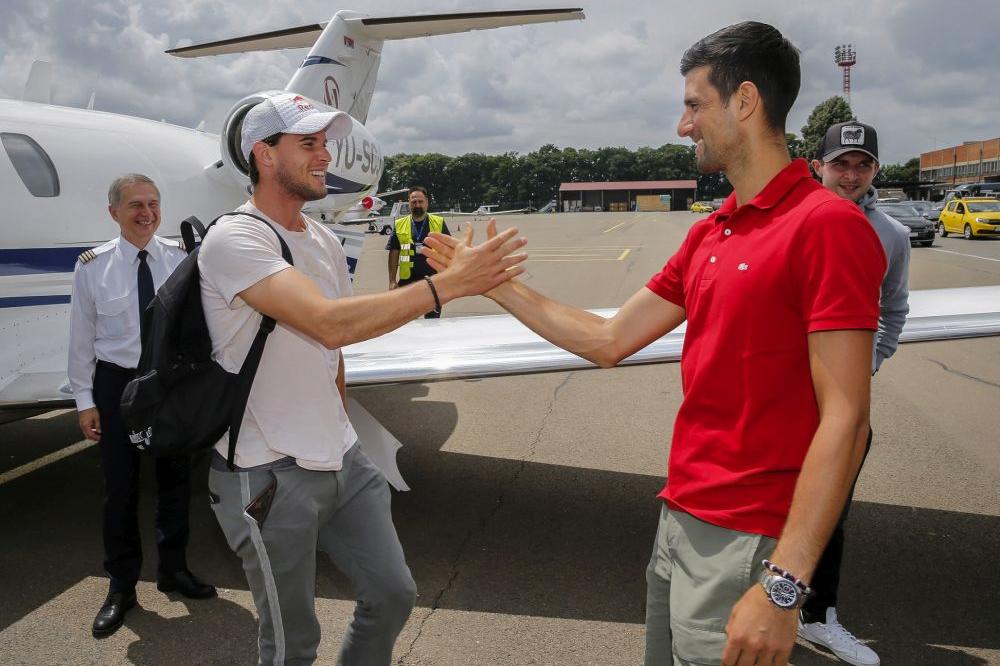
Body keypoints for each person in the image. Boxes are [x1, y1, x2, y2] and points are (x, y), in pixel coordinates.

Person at [424, 22, 886, 666]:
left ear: (745, 101)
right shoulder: (711, 233)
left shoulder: (826, 227)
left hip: (749, 535)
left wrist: (784, 586)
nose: (683, 124)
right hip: (680, 517)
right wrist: (493, 285)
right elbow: (608, 339)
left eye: (695, 104)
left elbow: (848, 419)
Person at [198, 92, 525, 665]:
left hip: (342, 459)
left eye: (325, 142)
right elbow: (325, 324)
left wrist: (339, 424)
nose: (326, 155)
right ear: (263, 155)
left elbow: (337, 348)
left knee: (394, 594)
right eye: (309, 144)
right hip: (268, 473)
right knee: (292, 644)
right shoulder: (236, 239)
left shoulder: (321, 240)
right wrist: (447, 286)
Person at [68, 174, 216, 639]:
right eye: (135, 205)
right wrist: (84, 401)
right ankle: (122, 587)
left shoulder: (178, 260)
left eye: (153, 204)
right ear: (114, 212)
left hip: (165, 384)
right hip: (116, 385)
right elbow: (80, 341)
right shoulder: (92, 267)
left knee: (175, 482)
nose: (146, 213)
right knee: (121, 489)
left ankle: (173, 569)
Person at [801, 121, 911, 666]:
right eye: (839, 163)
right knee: (760, 508)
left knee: (829, 511)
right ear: (816, 164)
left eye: (861, 165)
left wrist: (866, 365)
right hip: (780, 398)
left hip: (839, 405)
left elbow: (894, 310)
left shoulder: (891, 234)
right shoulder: (791, 220)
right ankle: (749, 607)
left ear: (874, 170)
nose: (850, 175)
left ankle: (818, 616)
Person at [386, 186, 451, 318]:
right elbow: (393, 252)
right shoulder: (399, 224)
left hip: (433, 281)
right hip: (408, 281)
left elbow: (449, 249)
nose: (417, 205)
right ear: (409, 203)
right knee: (407, 322)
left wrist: (448, 276)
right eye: (414, 202)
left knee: (432, 322)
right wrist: (392, 280)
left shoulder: (438, 222)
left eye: (420, 201)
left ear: (427, 202)